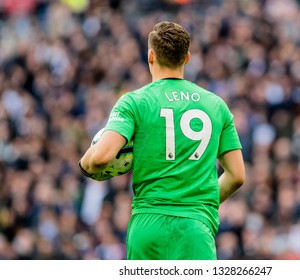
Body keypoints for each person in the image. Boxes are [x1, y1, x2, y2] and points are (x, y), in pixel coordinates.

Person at [78, 21, 245, 260]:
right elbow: (237, 175)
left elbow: (102, 157)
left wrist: (85, 164)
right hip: (195, 228)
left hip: (148, 225)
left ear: (150, 56)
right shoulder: (216, 105)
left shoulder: (134, 102)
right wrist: (199, 206)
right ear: (186, 58)